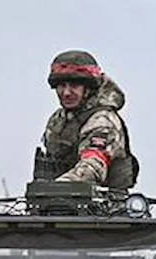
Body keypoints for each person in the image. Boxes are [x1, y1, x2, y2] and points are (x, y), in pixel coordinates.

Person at [33, 49, 139, 190]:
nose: (66, 92)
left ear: (88, 89)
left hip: (102, 208)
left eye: (74, 86)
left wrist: (56, 188)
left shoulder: (103, 120)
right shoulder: (58, 120)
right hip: (56, 204)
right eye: (61, 86)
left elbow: (93, 168)